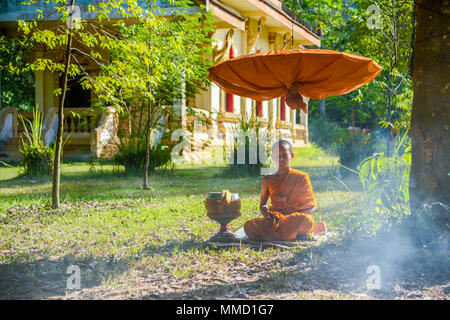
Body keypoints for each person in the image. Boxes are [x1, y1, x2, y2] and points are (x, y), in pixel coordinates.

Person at [243, 140, 327, 241]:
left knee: (307, 221)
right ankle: (299, 235)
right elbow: (263, 205)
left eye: (284, 155)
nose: (281, 159)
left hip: (293, 220)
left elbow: (312, 206)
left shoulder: (301, 177)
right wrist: (270, 218)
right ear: (272, 157)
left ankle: (277, 235)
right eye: (277, 156)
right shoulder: (267, 180)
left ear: (291, 156)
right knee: (248, 226)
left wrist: (288, 218)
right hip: (276, 222)